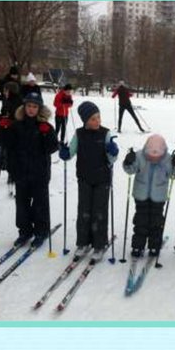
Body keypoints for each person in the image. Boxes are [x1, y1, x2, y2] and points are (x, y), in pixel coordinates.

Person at [0, 90, 58, 247]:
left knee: (40, 204)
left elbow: (52, 147)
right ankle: (24, 231)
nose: (31, 109)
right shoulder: (16, 126)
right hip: (20, 170)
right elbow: (5, 143)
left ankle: (41, 231)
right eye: (29, 106)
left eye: (35, 107)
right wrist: (1, 128)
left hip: (40, 172)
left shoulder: (46, 126)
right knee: (21, 204)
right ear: (24, 107)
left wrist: (45, 134)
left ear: (39, 109)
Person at [59, 101, 118, 261]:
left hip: (102, 179)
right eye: (92, 119)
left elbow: (112, 159)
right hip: (84, 179)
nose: (97, 121)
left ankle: (99, 245)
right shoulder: (79, 134)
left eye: (98, 117)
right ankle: (82, 243)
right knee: (84, 212)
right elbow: (70, 152)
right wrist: (64, 152)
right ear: (85, 120)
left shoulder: (105, 134)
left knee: (99, 212)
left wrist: (113, 151)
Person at [121, 135, 175, 260]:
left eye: (157, 157)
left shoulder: (167, 160)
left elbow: (173, 175)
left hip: (159, 196)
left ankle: (154, 245)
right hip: (141, 195)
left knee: (156, 222)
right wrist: (128, 162)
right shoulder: (139, 156)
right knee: (140, 220)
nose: (154, 159)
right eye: (151, 157)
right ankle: (137, 246)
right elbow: (130, 170)